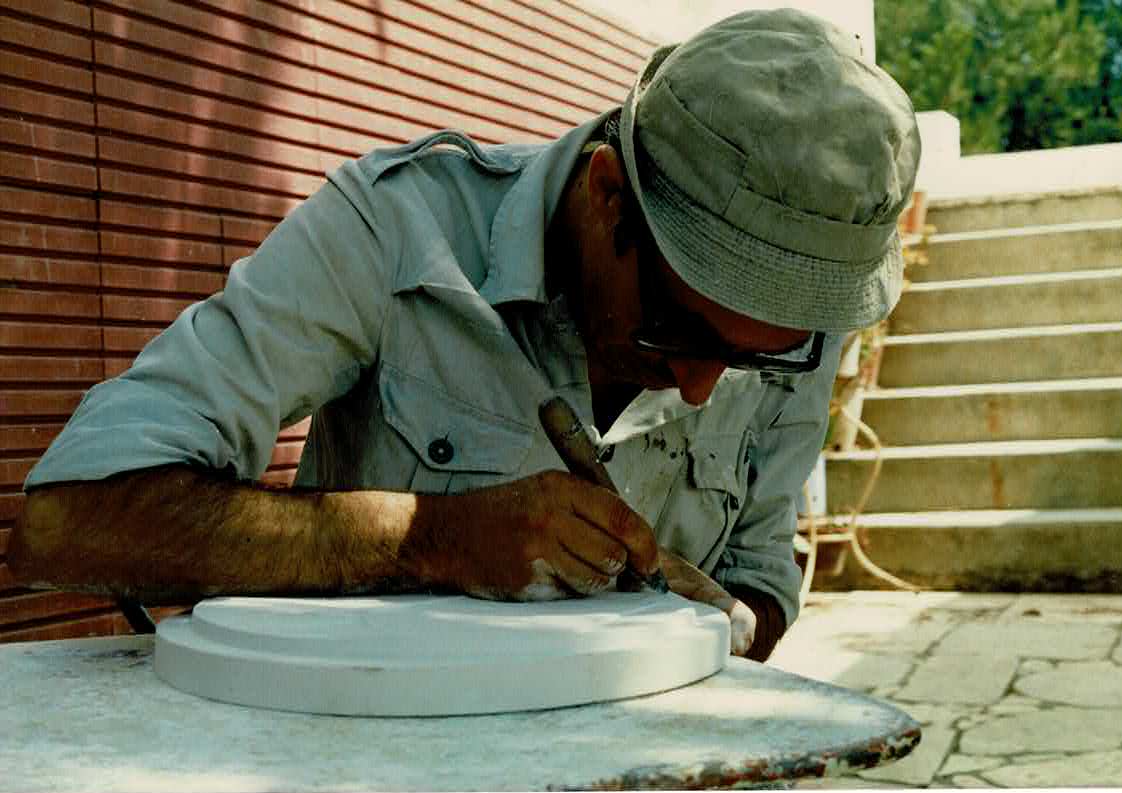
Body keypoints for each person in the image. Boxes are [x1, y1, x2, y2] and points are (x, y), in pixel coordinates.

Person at [10, 9, 920, 661]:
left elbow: (763, 571)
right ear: (608, 195)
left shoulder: (792, 311)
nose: (697, 388)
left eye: (754, 355)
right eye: (675, 331)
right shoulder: (395, 230)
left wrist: (719, 630)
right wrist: (422, 535)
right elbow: (69, 522)